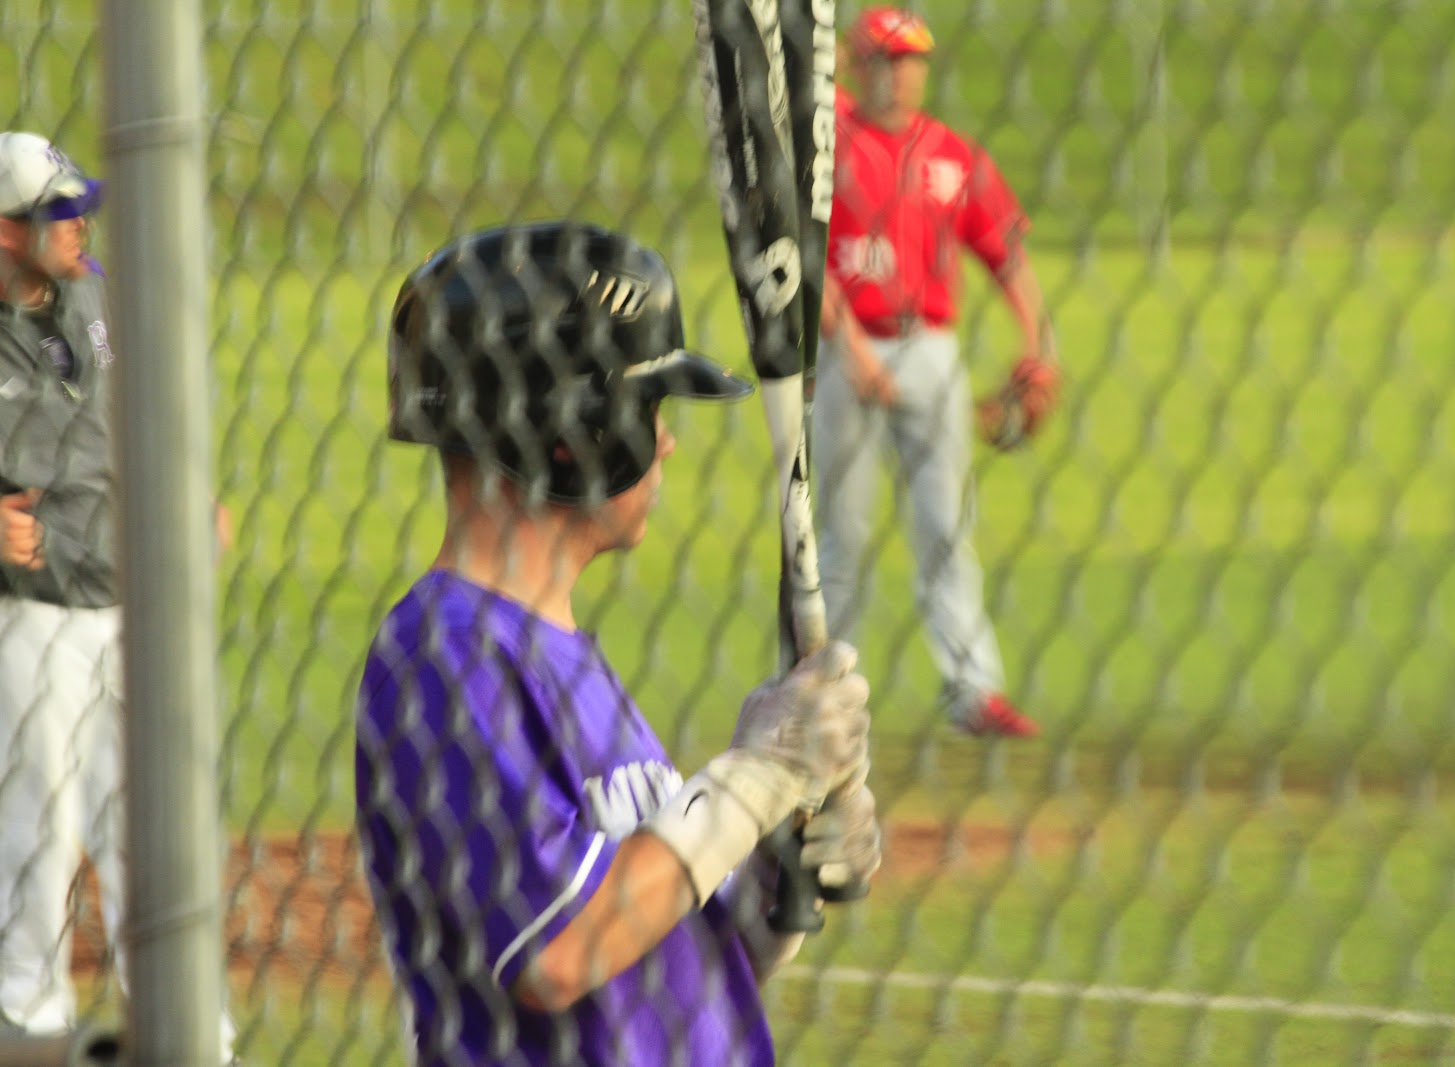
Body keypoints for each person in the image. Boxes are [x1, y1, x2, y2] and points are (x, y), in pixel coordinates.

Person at [357, 220, 884, 1065]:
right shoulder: (442, 659)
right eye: (649, 405)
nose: (666, 438)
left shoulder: (558, 654)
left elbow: (656, 954)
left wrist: (769, 876)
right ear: (568, 430)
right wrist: (752, 779)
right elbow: (558, 954)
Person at [0, 130, 235, 1060]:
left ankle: (190, 1033)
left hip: (132, 610)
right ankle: (28, 1023)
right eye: (58, 212)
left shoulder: (97, 296)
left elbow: (139, 412)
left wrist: (186, 492)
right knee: (38, 832)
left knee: (154, 827)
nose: (80, 221)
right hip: (31, 617)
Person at [816, 8, 1061, 738]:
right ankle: (822, 695)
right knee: (840, 534)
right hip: (843, 348)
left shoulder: (952, 154)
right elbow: (805, 260)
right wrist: (853, 351)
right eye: (886, 59)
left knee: (947, 528)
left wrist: (1040, 343)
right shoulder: (831, 149)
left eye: (911, 58)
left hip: (931, 349)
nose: (900, 72)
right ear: (858, 68)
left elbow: (1007, 254)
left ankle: (973, 689)